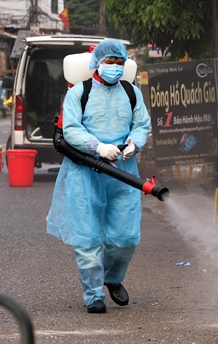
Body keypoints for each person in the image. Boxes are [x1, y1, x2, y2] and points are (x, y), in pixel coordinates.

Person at [45, 39, 151, 314]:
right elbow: (70, 130)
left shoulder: (132, 93)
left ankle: (112, 278)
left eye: (119, 63)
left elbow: (142, 124)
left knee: (125, 237)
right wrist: (97, 147)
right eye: (109, 62)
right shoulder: (79, 93)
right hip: (85, 170)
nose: (115, 67)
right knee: (87, 237)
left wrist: (134, 144)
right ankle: (93, 294)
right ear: (97, 63)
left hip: (123, 171)